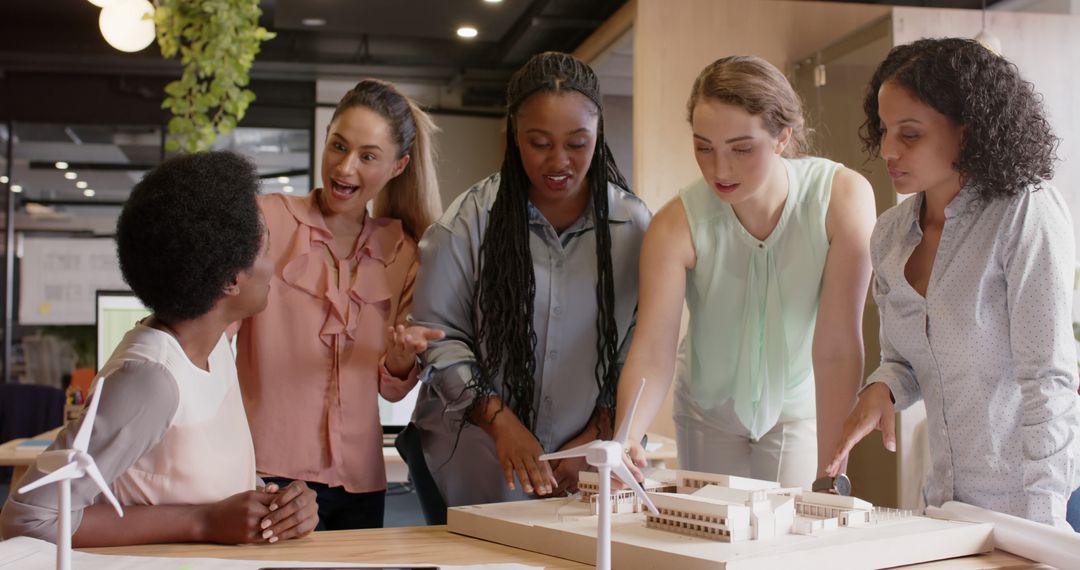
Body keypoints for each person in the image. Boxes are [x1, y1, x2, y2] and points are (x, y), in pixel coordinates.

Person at [0, 151, 318, 546]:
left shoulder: (213, 344)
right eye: (267, 247)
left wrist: (275, 504)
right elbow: (26, 520)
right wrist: (202, 523)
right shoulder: (150, 380)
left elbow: (187, 480)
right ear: (231, 280)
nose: (274, 263)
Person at [827, 38, 1080, 530]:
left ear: (968, 131)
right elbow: (904, 360)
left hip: (1039, 505)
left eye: (911, 134)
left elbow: (1048, 380)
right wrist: (883, 389)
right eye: (883, 130)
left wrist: (1045, 524)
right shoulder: (892, 234)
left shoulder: (1025, 212)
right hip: (949, 503)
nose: (887, 150)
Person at [616, 55, 877, 489]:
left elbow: (837, 345)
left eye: (741, 149)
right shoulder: (675, 224)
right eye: (703, 147)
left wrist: (833, 467)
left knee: (790, 544)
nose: (720, 169)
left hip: (797, 406)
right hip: (706, 410)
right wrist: (626, 435)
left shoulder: (840, 199)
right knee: (710, 542)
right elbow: (653, 349)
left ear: (782, 138)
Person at [410, 51, 651, 510]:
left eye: (578, 143)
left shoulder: (635, 228)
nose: (559, 161)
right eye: (539, 142)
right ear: (514, 136)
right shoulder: (466, 223)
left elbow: (639, 346)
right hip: (472, 461)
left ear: (598, 135)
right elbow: (438, 340)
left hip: (585, 467)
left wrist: (598, 435)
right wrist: (501, 422)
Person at [235, 79, 444, 530]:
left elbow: (390, 388)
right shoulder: (266, 220)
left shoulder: (403, 252)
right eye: (338, 146)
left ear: (397, 166)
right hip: (267, 469)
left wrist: (403, 357)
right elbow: (216, 332)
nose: (345, 168)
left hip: (360, 482)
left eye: (368, 156)